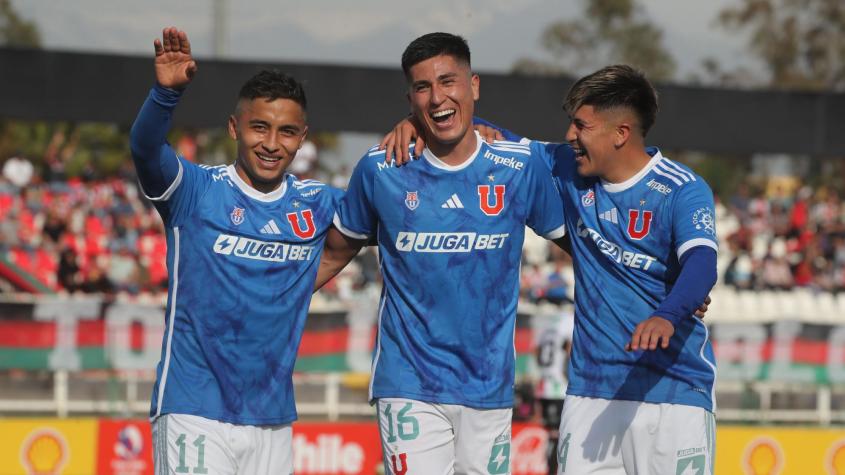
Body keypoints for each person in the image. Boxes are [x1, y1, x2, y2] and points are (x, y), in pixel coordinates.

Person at [386, 64, 718, 475]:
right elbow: (488, 133)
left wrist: (668, 314)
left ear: (621, 133)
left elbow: (702, 263)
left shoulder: (683, 189)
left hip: (675, 393)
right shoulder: (566, 167)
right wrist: (415, 121)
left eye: (581, 126)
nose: (569, 136)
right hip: (590, 393)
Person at [315, 32, 567, 474]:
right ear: (409, 98)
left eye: (448, 81)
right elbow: (334, 254)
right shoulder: (381, 169)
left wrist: (663, 291)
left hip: (489, 386)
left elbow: (578, 245)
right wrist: (270, 304)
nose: (436, 98)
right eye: (422, 87)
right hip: (409, 383)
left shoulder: (517, 168)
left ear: (474, 86)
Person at [129, 27, 341, 474]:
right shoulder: (195, 190)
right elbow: (146, 149)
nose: (270, 143)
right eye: (259, 127)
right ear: (234, 127)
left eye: (286, 132)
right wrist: (164, 95)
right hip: (193, 410)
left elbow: (389, 208)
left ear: (302, 137)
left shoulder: (319, 203)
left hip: (272, 420)